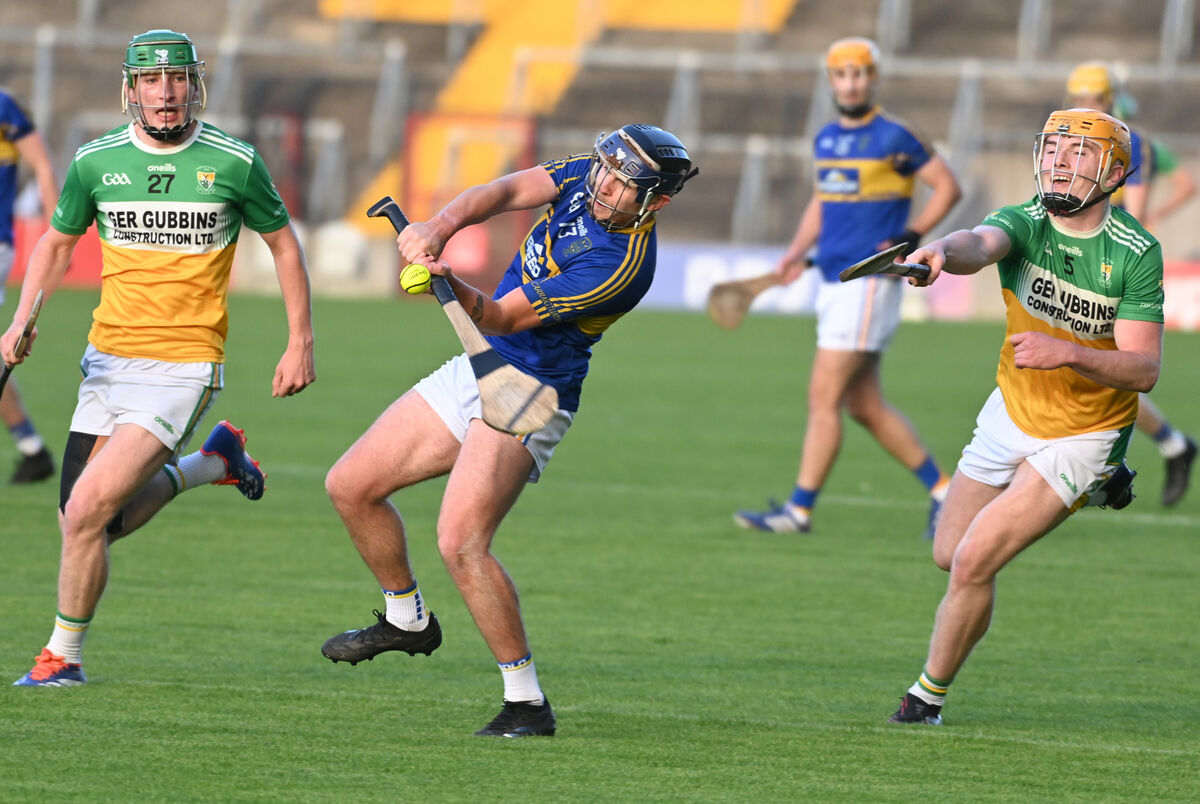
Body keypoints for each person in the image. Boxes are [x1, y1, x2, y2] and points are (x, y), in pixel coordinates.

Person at [320, 124, 697, 737]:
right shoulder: (585, 177)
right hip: (477, 364)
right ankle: (406, 619)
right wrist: (439, 227)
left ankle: (526, 702)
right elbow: (498, 193)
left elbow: (501, 314)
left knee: (461, 542)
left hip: (529, 391)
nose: (603, 183)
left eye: (622, 183)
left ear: (655, 200)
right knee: (350, 485)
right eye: (604, 169)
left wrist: (443, 280)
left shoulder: (621, 266)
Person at [2, 30, 316, 687]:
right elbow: (57, 247)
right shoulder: (97, 163)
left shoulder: (233, 162)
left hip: (183, 365)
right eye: (152, 80)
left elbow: (284, 245)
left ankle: (63, 658)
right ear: (132, 90)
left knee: (85, 514)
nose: (166, 92)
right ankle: (212, 463)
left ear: (194, 87)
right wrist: (22, 318)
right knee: (89, 521)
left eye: (177, 78)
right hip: (107, 360)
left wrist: (300, 340)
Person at [888, 108, 1162, 725]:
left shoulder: (1137, 252)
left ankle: (924, 700)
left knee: (974, 560)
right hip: (1011, 410)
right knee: (948, 553)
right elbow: (979, 244)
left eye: (1078, 153)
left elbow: (1145, 370)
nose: (1059, 162)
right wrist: (938, 250)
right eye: (1053, 149)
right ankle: (1099, 491)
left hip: (1085, 433)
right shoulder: (1027, 220)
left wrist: (1067, 352)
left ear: (1114, 172)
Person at [734, 37, 962, 538]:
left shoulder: (895, 135)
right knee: (863, 404)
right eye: (842, 74)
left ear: (873, 78)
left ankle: (798, 511)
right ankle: (947, 493)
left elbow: (948, 186)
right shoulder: (826, 140)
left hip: (869, 281)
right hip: (832, 279)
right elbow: (823, 204)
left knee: (823, 398)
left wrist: (911, 235)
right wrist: (796, 252)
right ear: (831, 80)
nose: (851, 82)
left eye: (860, 74)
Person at [1066, 61, 1197, 506]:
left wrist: (1145, 228)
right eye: (1079, 99)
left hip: (1114, 267)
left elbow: (1135, 215)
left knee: (1101, 369)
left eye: (1095, 99)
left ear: (1110, 99)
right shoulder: (1072, 141)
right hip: (1085, 262)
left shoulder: (1131, 141)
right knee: (1089, 369)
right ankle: (1170, 446)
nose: (1086, 108)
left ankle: (1115, 467)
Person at [0, 88, 58, 483]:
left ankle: (31, 447)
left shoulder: (4, 107)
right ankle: (31, 448)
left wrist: (59, 233)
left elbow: (42, 166)